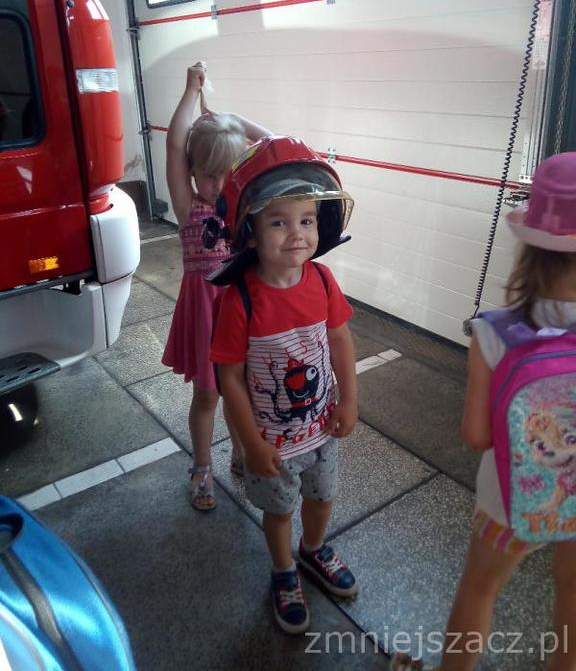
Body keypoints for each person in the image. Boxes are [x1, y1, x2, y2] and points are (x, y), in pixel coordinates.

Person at [392, 151, 576, 671]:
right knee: (572, 594)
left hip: (509, 501)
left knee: (480, 587)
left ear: (530, 248)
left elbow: (476, 435)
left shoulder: (495, 333)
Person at [210, 135, 359, 634]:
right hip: (271, 441)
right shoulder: (240, 301)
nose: (296, 234)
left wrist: (350, 399)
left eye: (307, 220)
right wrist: (250, 443)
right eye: (278, 222)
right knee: (279, 511)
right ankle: (283, 572)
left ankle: (313, 549)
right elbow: (229, 377)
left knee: (322, 498)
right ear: (249, 232)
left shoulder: (323, 281)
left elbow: (339, 339)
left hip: (321, 428)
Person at [161, 62, 271, 511]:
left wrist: (231, 119)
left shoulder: (242, 205)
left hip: (240, 311)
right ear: (191, 172)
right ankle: (202, 466)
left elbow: (272, 143)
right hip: (205, 310)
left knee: (240, 388)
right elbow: (174, 142)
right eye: (207, 175)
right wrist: (192, 91)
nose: (217, 185)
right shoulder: (188, 206)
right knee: (207, 392)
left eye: (225, 174)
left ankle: (241, 453)